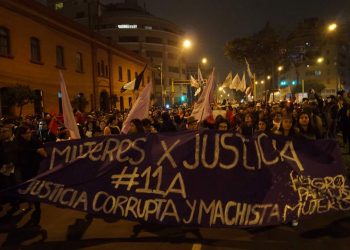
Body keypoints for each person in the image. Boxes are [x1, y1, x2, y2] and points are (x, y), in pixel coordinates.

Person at [16, 126, 47, 225]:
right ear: (21, 135)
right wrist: (35, 151)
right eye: (27, 133)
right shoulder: (18, 143)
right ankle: (30, 202)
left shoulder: (34, 140)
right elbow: (21, 151)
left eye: (29, 132)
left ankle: (37, 208)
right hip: (25, 169)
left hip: (35, 168)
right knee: (27, 187)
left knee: (34, 188)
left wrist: (40, 150)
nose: (29, 134)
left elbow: (42, 149)